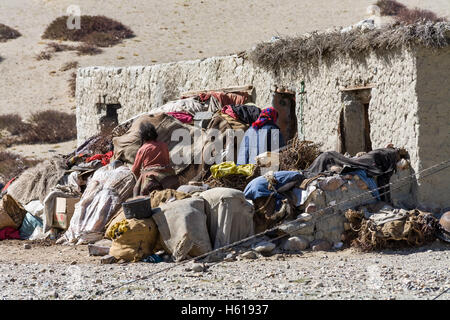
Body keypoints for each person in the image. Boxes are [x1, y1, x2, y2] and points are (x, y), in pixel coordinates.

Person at [132, 122, 179, 196]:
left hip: (151, 177)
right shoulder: (163, 145)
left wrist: (141, 175)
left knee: (136, 190)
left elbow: (135, 170)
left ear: (142, 136)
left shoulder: (142, 149)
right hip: (168, 174)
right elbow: (167, 161)